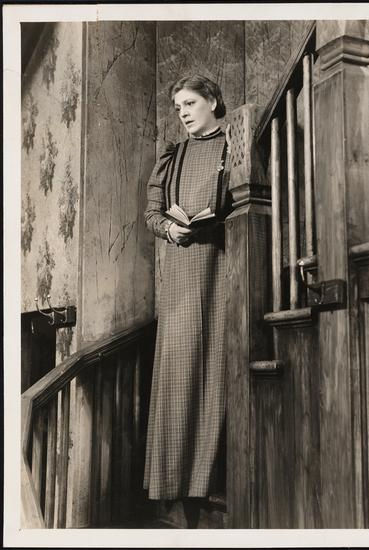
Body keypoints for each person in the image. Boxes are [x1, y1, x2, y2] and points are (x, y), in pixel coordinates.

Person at [143, 75, 231, 501]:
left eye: (190, 103)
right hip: (181, 269)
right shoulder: (172, 155)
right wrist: (168, 229)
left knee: (216, 362)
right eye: (178, 107)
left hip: (222, 264)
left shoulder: (234, 145)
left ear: (212, 101)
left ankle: (207, 481)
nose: (183, 113)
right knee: (180, 366)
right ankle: (174, 481)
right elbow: (152, 214)